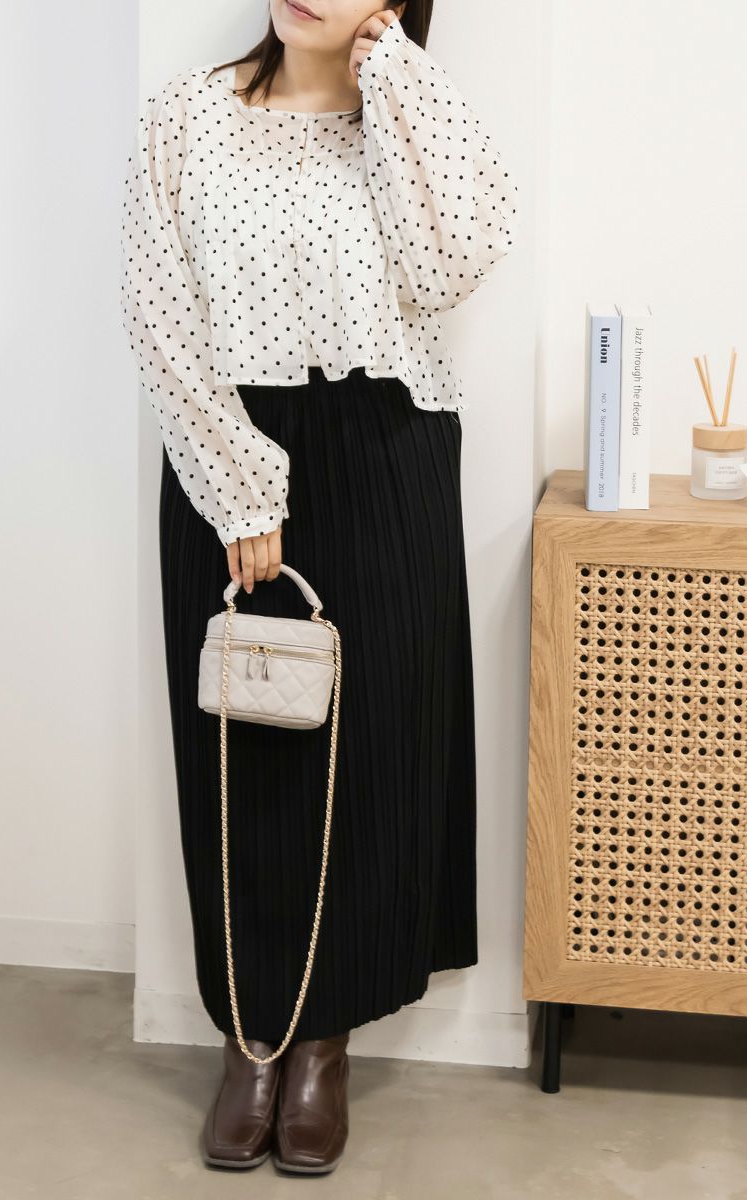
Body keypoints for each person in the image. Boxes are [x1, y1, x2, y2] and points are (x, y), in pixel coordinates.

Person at [121, 0, 517, 1176]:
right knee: (247, 753)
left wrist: (391, 72)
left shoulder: (408, 118)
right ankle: (252, 1041)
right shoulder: (187, 117)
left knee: (376, 753)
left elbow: (450, 266)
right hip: (228, 454)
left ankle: (323, 1047)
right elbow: (158, 314)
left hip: (387, 451)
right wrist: (240, 488)